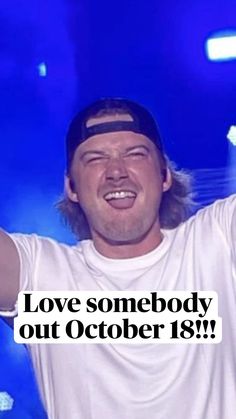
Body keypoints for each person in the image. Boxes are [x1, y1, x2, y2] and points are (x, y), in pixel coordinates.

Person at [0, 97, 235, 419]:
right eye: (95, 159)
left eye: (135, 154)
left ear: (165, 175)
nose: (116, 172)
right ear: (71, 186)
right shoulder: (42, 274)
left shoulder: (217, 243)